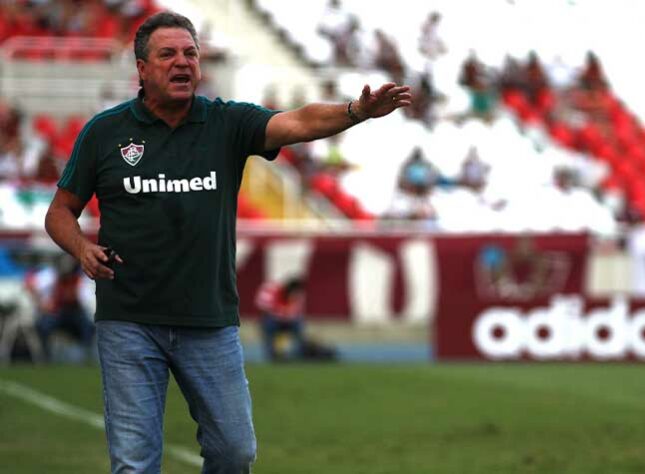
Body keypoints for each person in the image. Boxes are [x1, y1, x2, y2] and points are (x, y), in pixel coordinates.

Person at [43, 11, 410, 474]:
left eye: (191, 53)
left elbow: (295, 123)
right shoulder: (107, 132)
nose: (183, 62)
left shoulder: (227, 123)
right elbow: (59, 212)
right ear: (141, 68)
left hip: (209, 320)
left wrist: (354, 113)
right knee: (134, 463)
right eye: (168, 54)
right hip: (130, 319)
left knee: (235, 453)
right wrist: (81, 249)